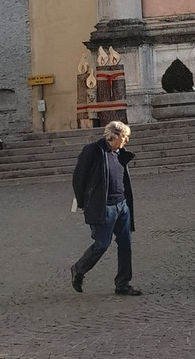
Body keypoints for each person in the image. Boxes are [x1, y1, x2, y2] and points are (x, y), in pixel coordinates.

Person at [70, 120, 142, 296]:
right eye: (125, 137)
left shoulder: (120, 153)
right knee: (102, 244)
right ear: (115, 136)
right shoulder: (93, 151)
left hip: (122, 205)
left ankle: (123, 284)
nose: (127, 141)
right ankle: (78, 269)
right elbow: (78, 179)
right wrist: (84, 203)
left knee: (126, 244)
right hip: (103, 207)